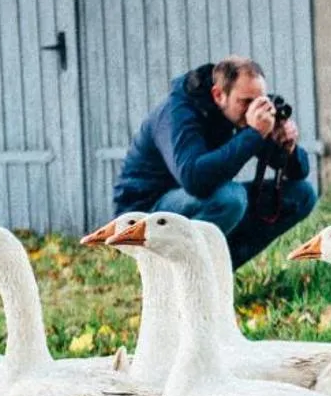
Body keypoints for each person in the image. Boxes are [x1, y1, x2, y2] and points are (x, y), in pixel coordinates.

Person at [111, 55, 318, 268]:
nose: (252, 109)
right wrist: (254, 134)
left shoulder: (235, 110)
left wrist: (287, 147)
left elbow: (298, 173)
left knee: (301, 195)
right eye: (245, 102)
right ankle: (180, 276)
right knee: (230, 199)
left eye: (258, 101)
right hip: (142, 214)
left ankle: (218, 272)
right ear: (218, 95)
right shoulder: (178, 112)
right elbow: (194, 179)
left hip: (191, 204)